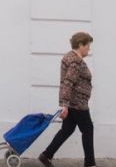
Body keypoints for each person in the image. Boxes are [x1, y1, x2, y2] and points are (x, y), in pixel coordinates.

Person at [39, 32, 96, 167]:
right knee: (88, 129)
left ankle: (46, 155)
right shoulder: (76, 62)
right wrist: (64, 105)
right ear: (80, 45)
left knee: (67, 130)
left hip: (72, 103)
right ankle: (90, 164)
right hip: (77, 104)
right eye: (88, 45)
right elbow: (68, 83)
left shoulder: (70, 57)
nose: (89, 48)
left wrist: (66, 104)